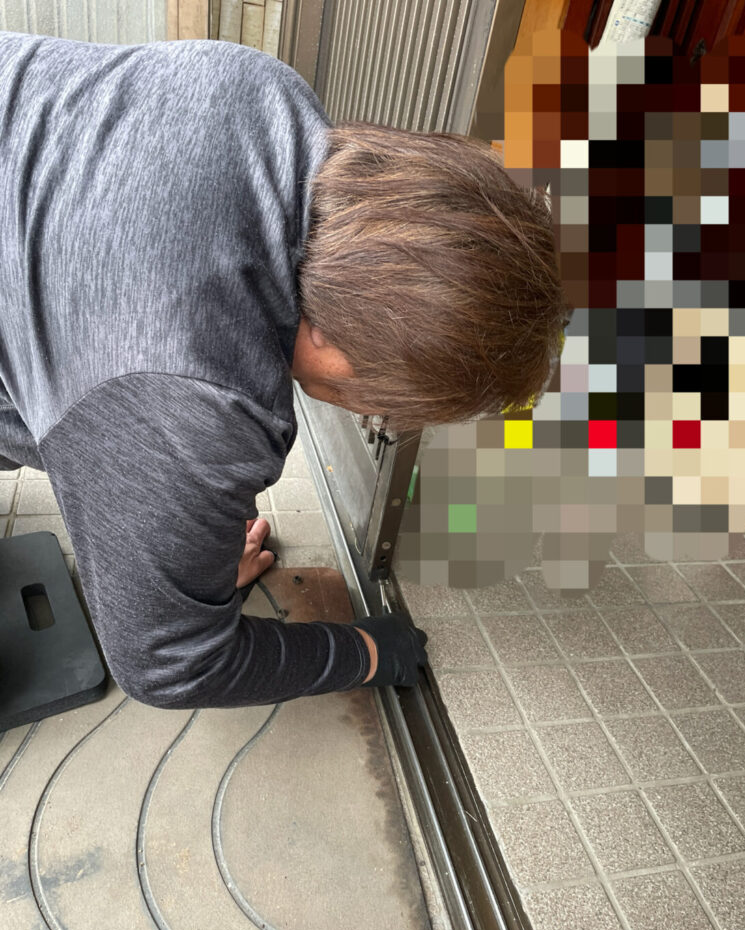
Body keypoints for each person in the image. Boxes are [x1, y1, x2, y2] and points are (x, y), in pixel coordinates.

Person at [0, 31, 569, 709]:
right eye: (386, 401)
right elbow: (171, 667)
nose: (376, 413)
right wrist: (365, 651)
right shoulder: (191, 397)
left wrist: (183, 540)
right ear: (335, 340)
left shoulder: (261, 93)